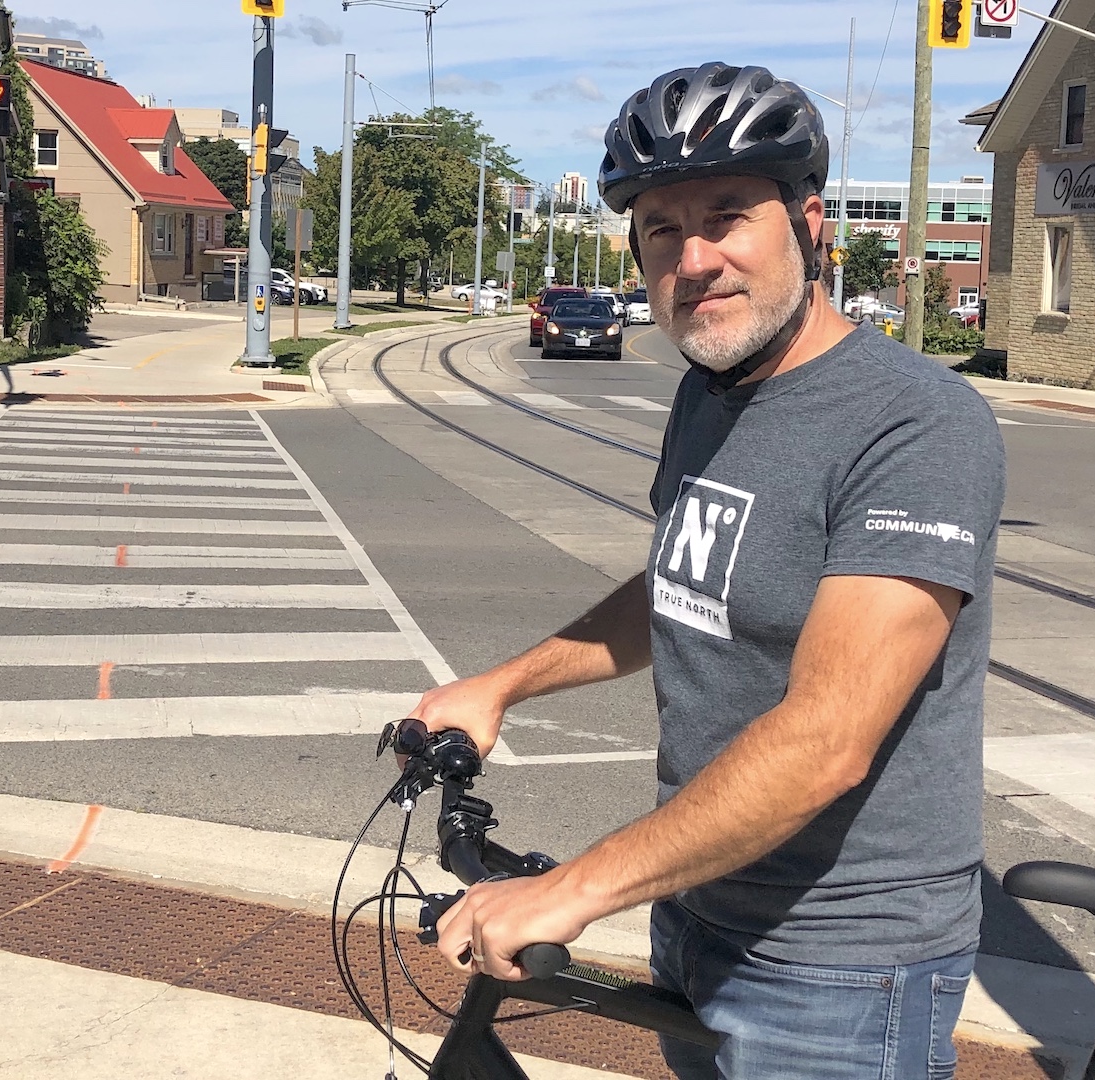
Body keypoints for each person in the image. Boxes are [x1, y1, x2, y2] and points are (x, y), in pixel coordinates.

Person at [413, 63, 1005, 1080]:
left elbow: (826, 740)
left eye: (727, 217)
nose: (693, 259)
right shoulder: (712, 392)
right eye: (660, 230)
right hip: (699, 906)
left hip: (841, 962)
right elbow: (681, 586)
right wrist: (502, 685)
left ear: (809, 224)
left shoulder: (913, 425)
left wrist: (575, 890)